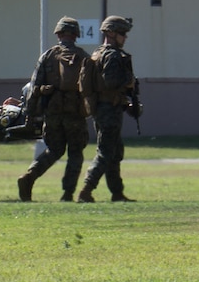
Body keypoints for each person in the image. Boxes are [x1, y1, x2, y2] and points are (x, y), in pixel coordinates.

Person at [17, 16, 93, 202]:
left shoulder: (48, 56)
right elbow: (91, 88)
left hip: (52, 114)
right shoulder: (84, 57)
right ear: (76, 35)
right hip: (75, 115)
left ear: (58, 34)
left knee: (54, 150)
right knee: (75, 153)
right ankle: (67, 194)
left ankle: (29, 176)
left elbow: (34, 89)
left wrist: (29, 116)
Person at [79, 15, 140, 202]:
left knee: (114, 151)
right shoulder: (112, 56)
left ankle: (117, 192)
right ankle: (86, 190)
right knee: (106, 151)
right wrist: (129, 82)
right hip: (108, 110)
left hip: (104, 108)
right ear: (111, 33)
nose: (125, 37)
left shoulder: (98, 53)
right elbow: (110, 82)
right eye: (122, 33)